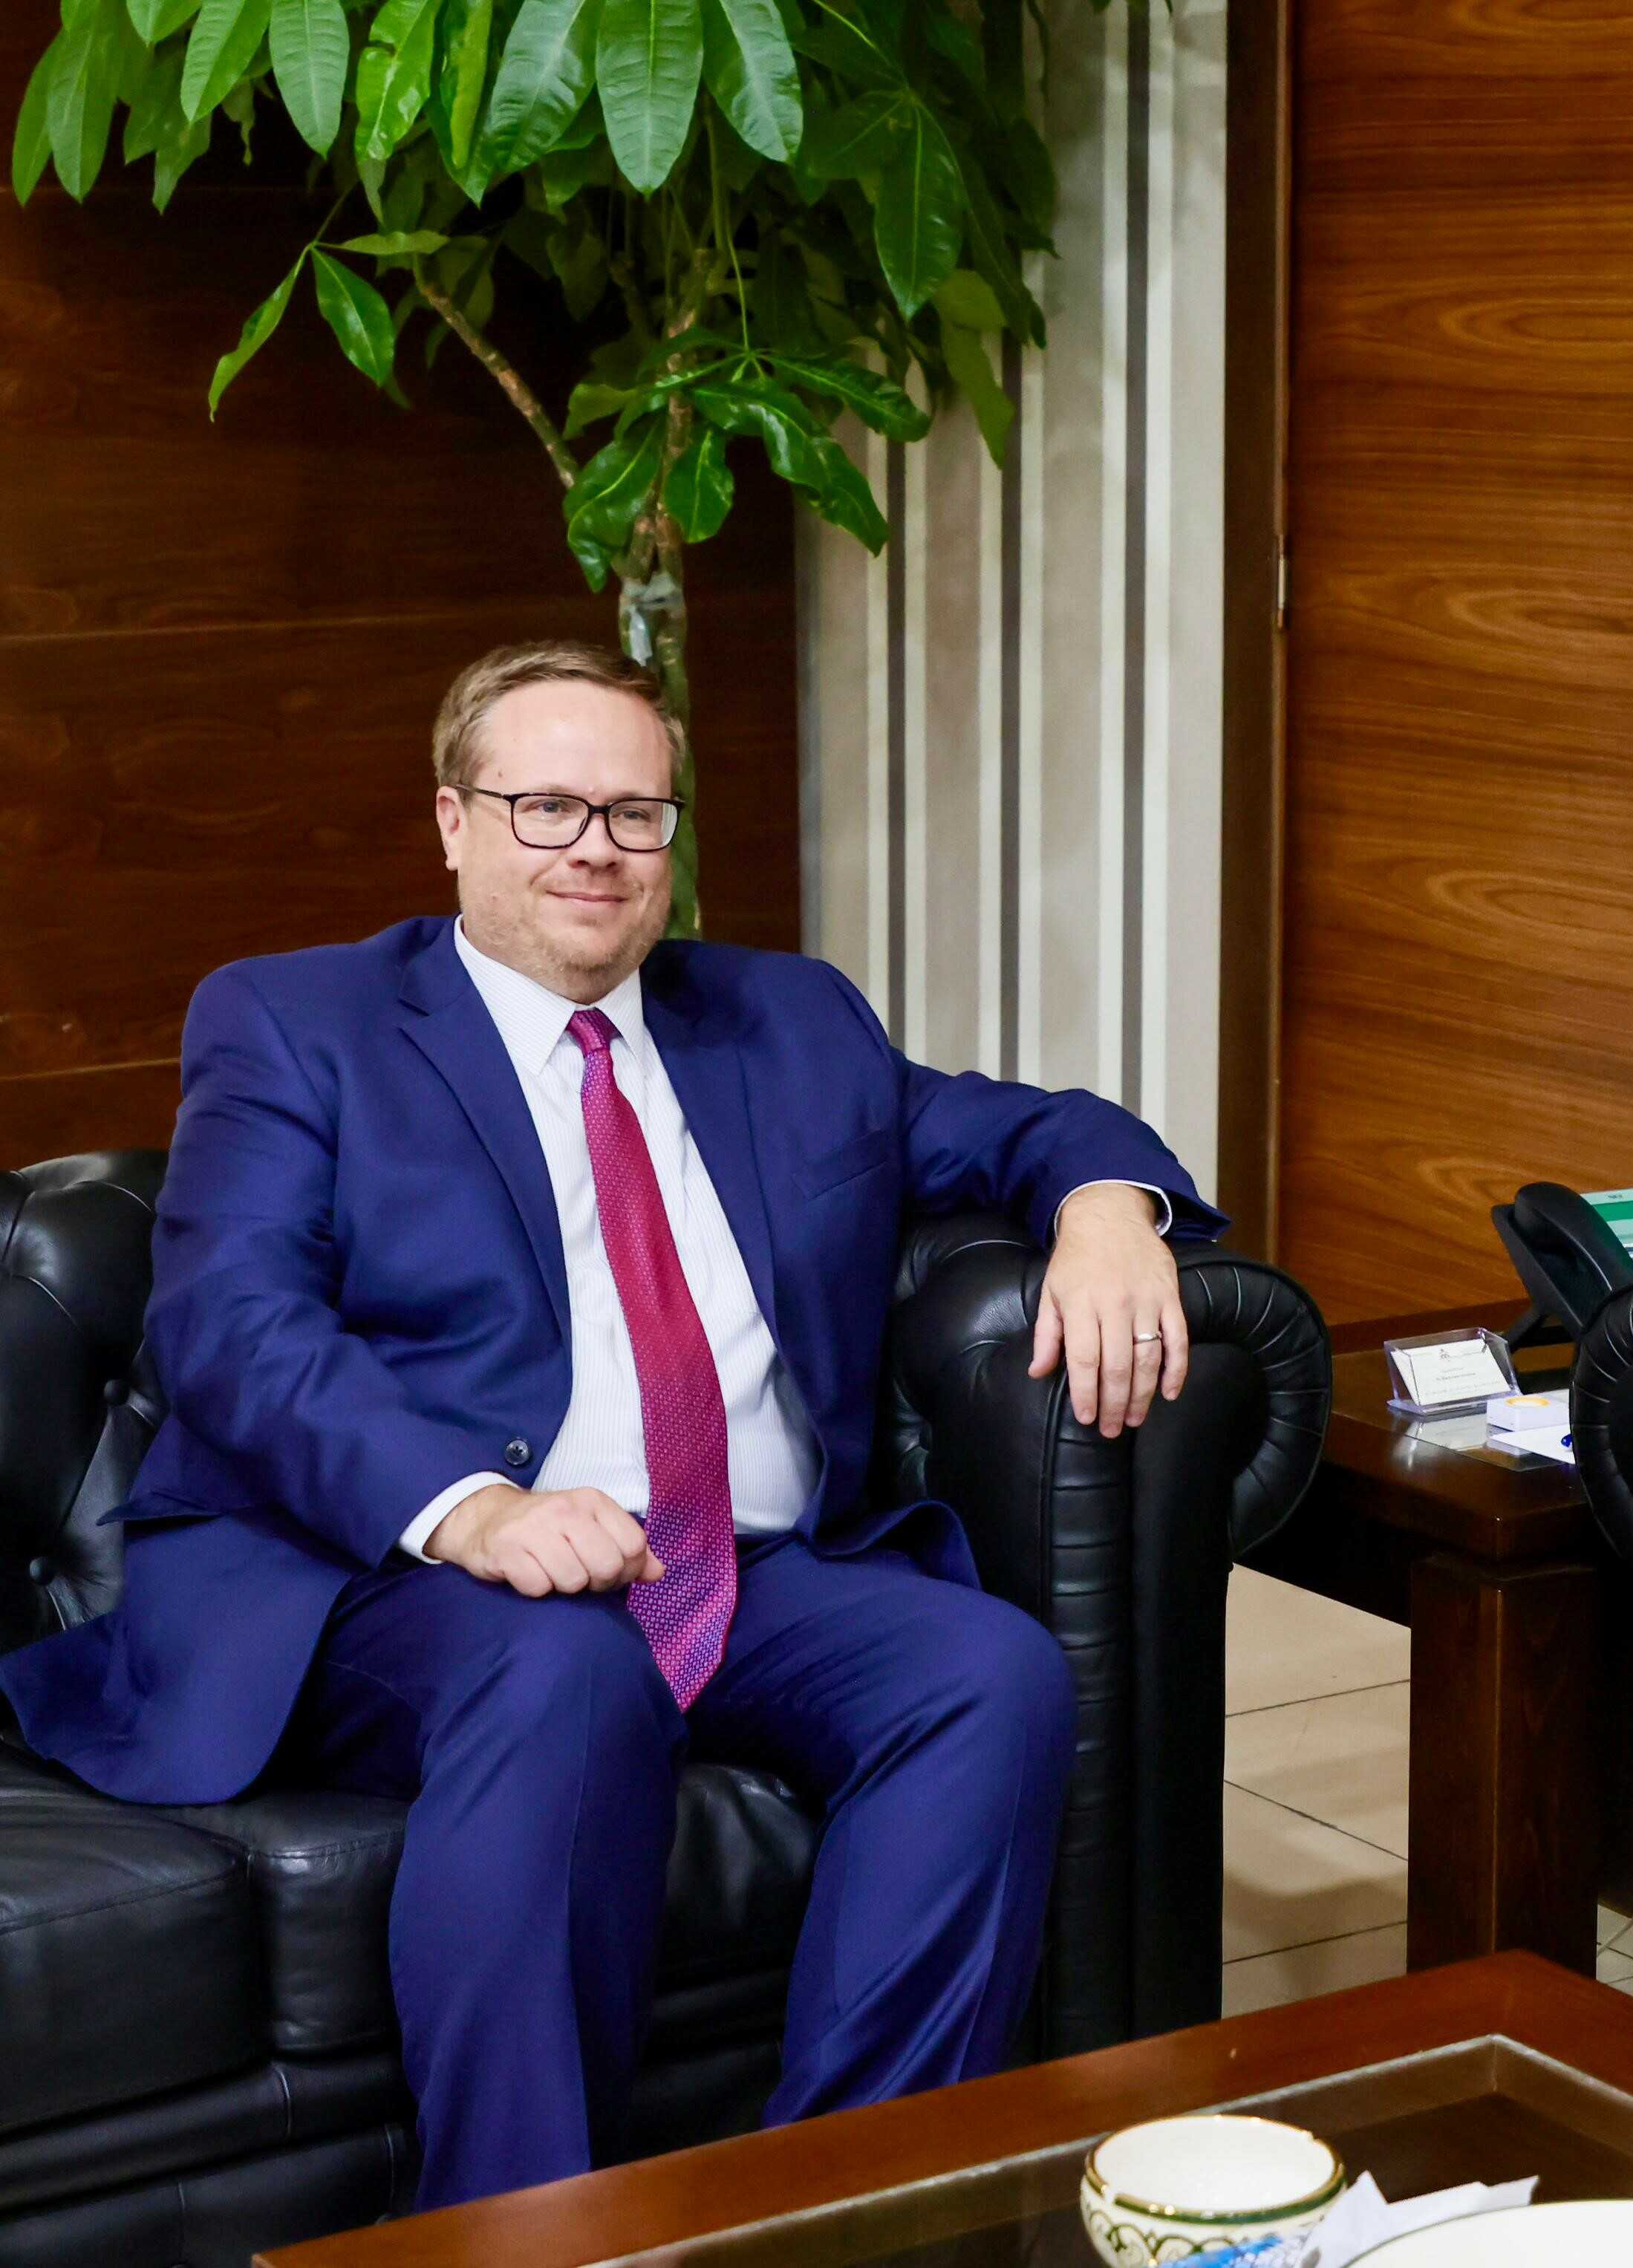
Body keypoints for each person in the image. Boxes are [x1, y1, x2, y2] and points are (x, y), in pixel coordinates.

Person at [0, 641, 1225, 2210]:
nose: (596, 847)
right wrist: (476, 1510)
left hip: (735, 1566)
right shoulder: (301, 1023)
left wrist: (1108, 1206)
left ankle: (836, 2216)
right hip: (388, 1577)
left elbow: (1029, 1126)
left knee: (986, 1674)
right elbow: (234, 1326)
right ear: (454, 821)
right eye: (548, 807)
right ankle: (529, 2238)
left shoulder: (786, 1021)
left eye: (636, 815)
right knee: (565, 1669)